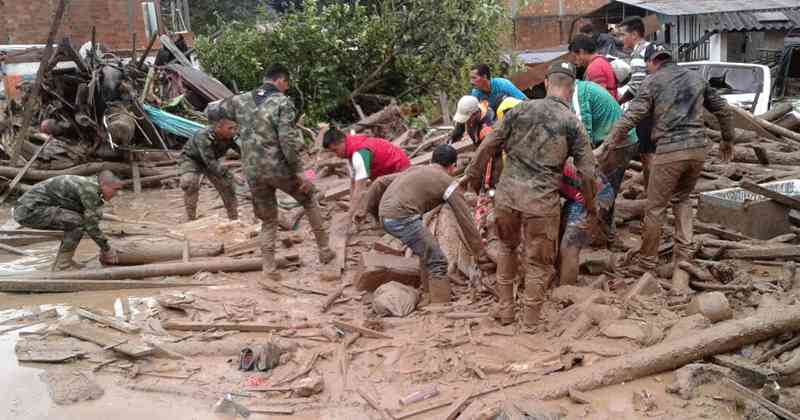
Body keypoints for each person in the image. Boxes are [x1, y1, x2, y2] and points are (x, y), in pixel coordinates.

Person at [461, 62, 598, 327]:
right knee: (538, 263)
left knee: (507, 249)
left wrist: (471, 174)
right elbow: (588, 174)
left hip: (507, 198)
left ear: (546, 83)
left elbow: (488, 144)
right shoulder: (572, 123)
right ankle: (531, 322)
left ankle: (506, 310)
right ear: (571, 89)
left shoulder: (519, 110)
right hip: (541, 204)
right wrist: (591, 208)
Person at [603, 46, 735, 289]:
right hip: (698, 149)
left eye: (647, 65)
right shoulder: (697, 78)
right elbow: (723, 110)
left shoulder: (652, 81)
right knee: (682, 199)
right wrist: (728, 139)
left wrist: (608, 143)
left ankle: (646, 262)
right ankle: (684, 256)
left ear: (652, 62)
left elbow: (633, 115)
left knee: (655, 207)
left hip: (670, 150)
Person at [209, 63, 335, 281]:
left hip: (252, 170)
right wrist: (299, 171)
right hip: (278, 167)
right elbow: (287, 140)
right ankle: (324, 251)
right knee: (308, 198)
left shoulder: (240, 100)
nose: (287, 87)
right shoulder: (282, 102)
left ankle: (269, 268)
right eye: (286, 83)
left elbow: (211, 110)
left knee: (268, 220)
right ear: (280, 80)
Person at [358, 145, 493, 303]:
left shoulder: (415, 170)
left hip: (386, 216)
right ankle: (440, 305)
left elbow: (379, 182)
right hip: (402, 218)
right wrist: (481, 255)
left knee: (426, 251)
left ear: (432, 160)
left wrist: (368, 212)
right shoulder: (448, 183)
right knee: (437, 260)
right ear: (453, 166)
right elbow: (466, 220)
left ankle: (428, 293)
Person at [558, 79, 638, 285]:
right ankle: (604, 236)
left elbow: (583, 133)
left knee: (570, 243)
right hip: (615, 144)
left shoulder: (579, 93)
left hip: (615, 147)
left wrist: (591, 210)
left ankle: (567, 288)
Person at [13, 171, 123, 271]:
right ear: (103, 184)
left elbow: (86, 211)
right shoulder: (90, 189)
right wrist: (107, 249)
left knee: (76, 220)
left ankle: (64, 262)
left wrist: (107, 217)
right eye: (115, 189)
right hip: (29, 212)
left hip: (30, 208)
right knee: (78, 223)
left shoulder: (91, 184)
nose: (117, 193)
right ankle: (63, 265)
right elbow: (90, 225)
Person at [322, 127, 411, 223]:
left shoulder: (359, 154)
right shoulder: (351, 150)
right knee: (374, 197)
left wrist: (350, 215)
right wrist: (352, 207)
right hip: (385, 171)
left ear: (342, 142)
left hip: (399, 169)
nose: (336, 155)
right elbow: (353, 183)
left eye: (335, 150)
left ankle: (399, 220)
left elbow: (360, 189)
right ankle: (381, 222)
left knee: (376, 199)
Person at [617, 16, 656, 192]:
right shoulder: (651, 49)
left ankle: (652, 193)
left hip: (647, 110)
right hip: (661, 107)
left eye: (622, 34)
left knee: (647, 155)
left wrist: (619, 101)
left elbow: (637, 85)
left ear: (634, 34)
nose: (620, 39)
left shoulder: (639, 53)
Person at [179, 118, 241, 221]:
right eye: (230, 128)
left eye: (235, 128)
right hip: (192, 159)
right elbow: (210, 163)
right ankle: (191, 218)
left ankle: (234, 218)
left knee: (227, 185)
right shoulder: (203, 136)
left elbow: (243, 151)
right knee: (189, 182)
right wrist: (232, 175)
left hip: (211, 160)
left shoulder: (232, 136)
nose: (233, 131)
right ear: (218, 128)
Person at [570, 35, 618, 100]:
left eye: (575, 57)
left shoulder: (595, 67)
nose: (575, 61)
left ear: (582, 52)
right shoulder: (601, 60)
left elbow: (600, 97)